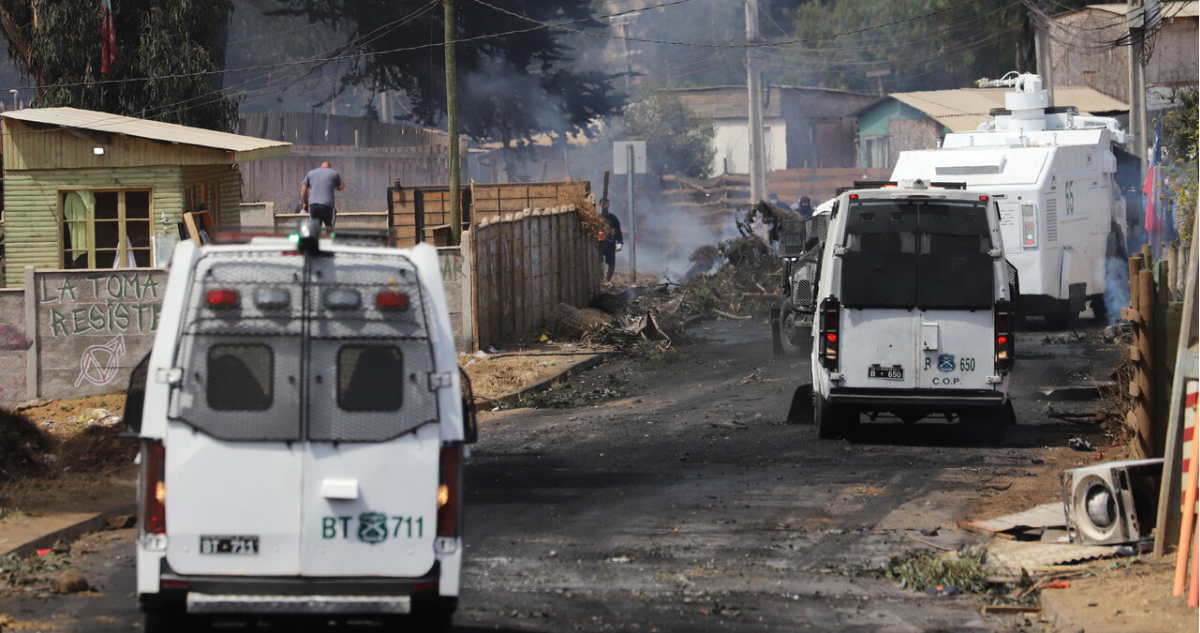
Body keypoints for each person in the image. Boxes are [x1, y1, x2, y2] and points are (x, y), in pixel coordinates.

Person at [300, 161, 345, 228]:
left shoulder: (310, 173)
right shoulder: (334, 173)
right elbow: (341, 187)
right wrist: (333, 186)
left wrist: (305, 204)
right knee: (330, 227)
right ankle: (330, 234)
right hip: (327, 205)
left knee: (315, 228)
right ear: (329, 167)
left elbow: (303, 190)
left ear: (321, 166)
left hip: (313, 205)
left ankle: (317, 234)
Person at [598, 202, 624, 283]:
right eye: (603, 205)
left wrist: (620, 242)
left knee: (611, 264)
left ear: (609, 206)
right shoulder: (597, 217)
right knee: (598, 262)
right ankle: (599, 280)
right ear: (599, 205)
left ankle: (607, 281)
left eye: (606, 205)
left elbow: (618, 231)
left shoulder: (613, 218)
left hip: (610, 244)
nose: (604, 207)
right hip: (599, 244)